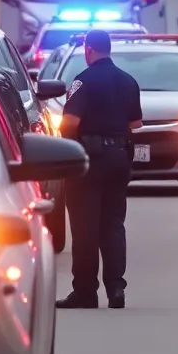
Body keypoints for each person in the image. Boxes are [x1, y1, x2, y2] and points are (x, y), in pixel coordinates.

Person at [55, 29, 143, 309]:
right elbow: (135, 124)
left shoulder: (83, 81)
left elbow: (69, 122)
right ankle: (116, 289)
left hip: (89, 160)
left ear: (88, 49)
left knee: (84, 228)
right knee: (114, 224)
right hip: (119, 158)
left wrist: (66, 152)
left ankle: (85, 292)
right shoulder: (128, 81)